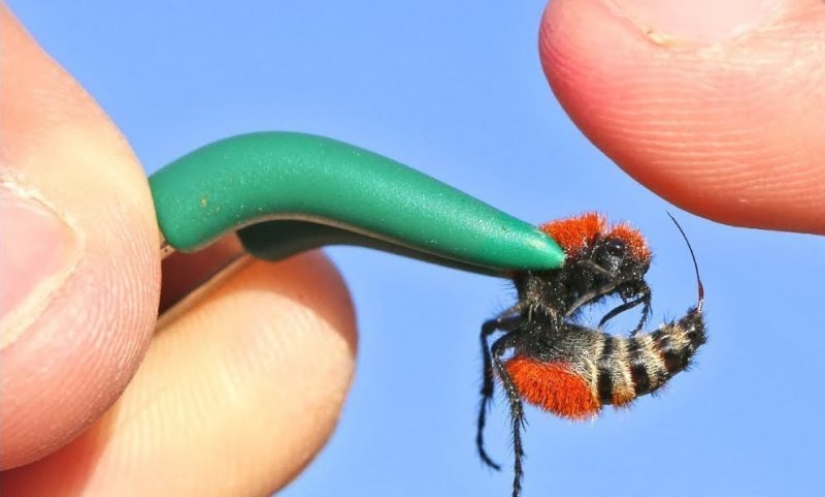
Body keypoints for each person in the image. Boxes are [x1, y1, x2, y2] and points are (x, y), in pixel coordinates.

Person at [1, 1, 822, 494]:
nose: (620, 276)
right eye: (615, 268)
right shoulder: (547, 275)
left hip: (557, 358)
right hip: (556, 357)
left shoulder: (547, 288)